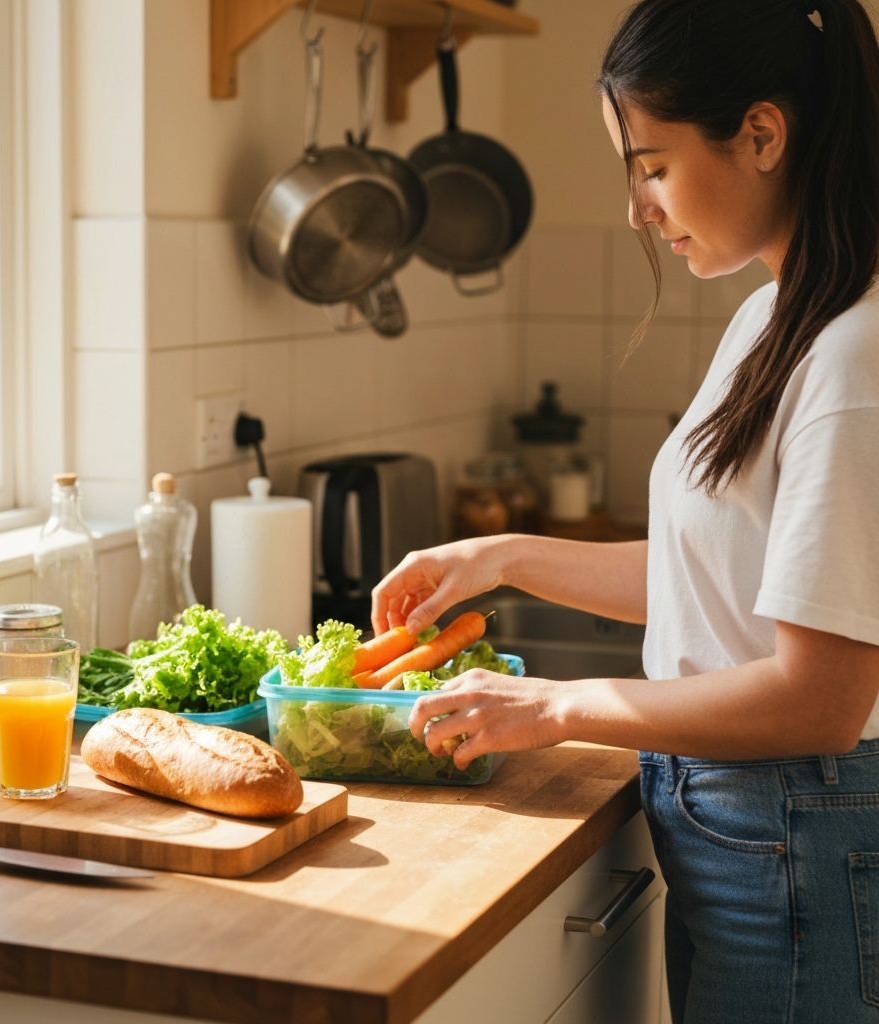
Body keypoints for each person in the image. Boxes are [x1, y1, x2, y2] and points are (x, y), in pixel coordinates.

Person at [370, 2, 879, 1021]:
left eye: (650, 164)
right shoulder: (778, 314)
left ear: (763, 134)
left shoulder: (852, 355)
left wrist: (554, 709)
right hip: (750, 828)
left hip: (797, 835)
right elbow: (724, 576)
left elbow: (818, 698)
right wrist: (502, 555)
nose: (638, 209)